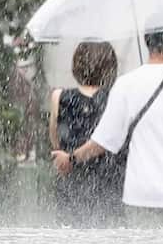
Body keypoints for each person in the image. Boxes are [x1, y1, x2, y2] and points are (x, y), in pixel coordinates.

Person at [53, 29, 163, 228]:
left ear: (147, 43)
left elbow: (103, 142)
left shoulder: (126, 84)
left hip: (141, 193)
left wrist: (71, 159)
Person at [49, 41, 121, 227]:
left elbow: (56, 141)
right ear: (110, 67)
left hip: (71, 179)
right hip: (108, 179)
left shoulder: (59, 96)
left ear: (76, 66)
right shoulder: (117, 98)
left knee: (70, 236)